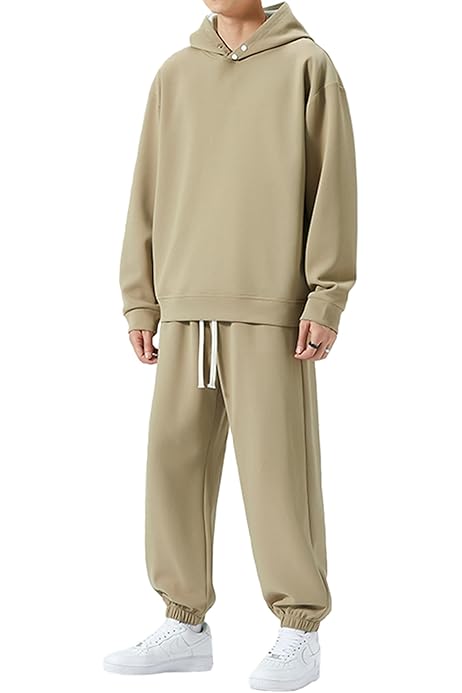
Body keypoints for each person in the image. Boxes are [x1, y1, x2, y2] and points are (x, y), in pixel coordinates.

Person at [103, 1, 357, 690]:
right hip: (185, 304)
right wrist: (140, 296)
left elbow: (333, 186)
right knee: (172, 464)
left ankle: (298, 627)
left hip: (270, 305)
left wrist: (326, 294)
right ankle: (184, 623)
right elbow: (147, 192)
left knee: (278, 472)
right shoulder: (175, 74)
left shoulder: (308, 65)